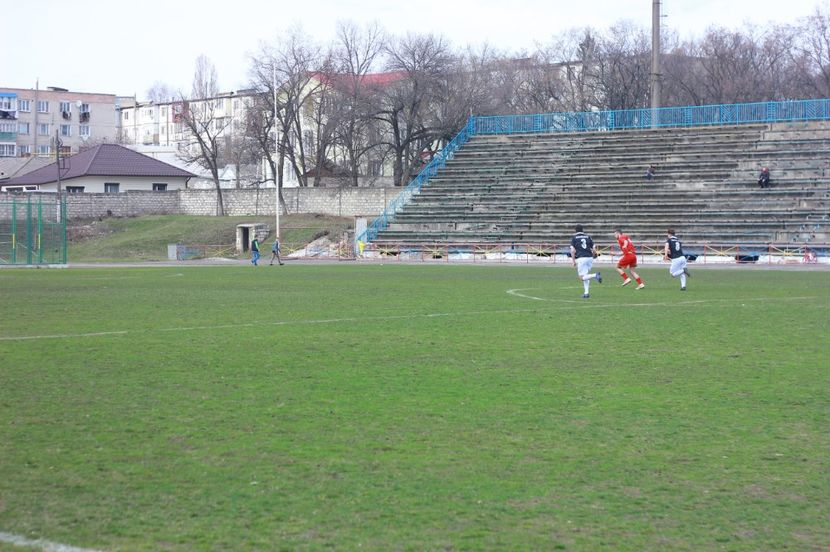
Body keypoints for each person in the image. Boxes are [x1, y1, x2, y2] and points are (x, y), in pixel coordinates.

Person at [570, 224, 602, 299]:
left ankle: (595, 275)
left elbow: (572, 250)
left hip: (581, 258)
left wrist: (573, 261)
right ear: (582, 230)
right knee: (585, 276)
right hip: (590, 258)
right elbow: (594, 248)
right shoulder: (588, 237)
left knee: (582, 277)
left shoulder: (574, 238)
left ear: (575, 230)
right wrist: (594, 254)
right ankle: (586, 293)